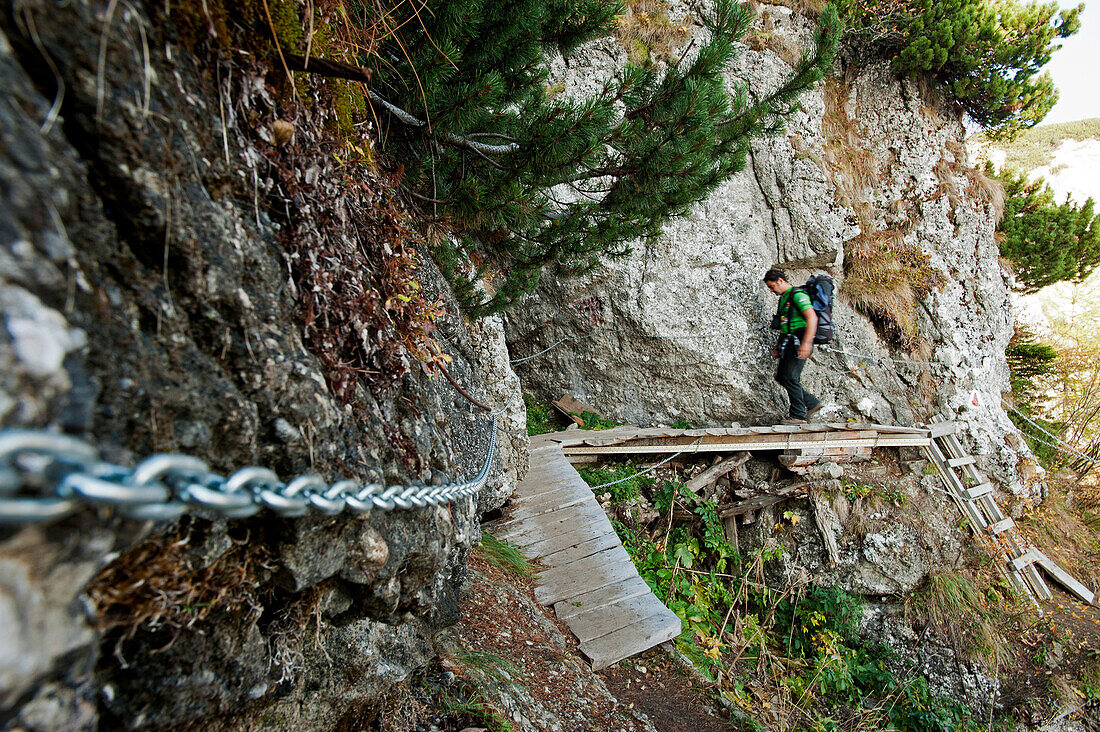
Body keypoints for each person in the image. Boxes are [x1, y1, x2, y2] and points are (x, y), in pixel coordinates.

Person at [763, 268, 822, 424]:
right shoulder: (784, 299)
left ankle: (798, 416)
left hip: (800, 340)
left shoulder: (798, 295)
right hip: (788, 342)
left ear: (780, 281)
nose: (770, 290)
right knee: (782, 376)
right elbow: (784, 325)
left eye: (772, 286)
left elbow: (812, 318)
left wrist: (807, 343)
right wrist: (778, 347)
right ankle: (811, 403)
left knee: (790, 377)